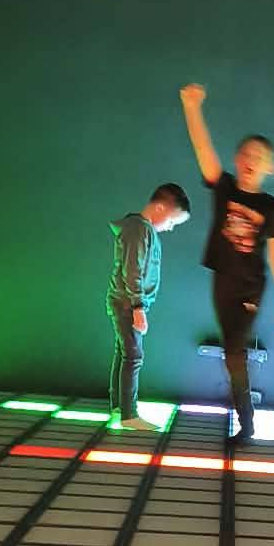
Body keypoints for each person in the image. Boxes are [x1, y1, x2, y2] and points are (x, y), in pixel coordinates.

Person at [179, 85, 274, 445]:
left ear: (269, 167)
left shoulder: (271, 207)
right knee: (232, 353)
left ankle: (247, 424)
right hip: (222, 281)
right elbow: (203, 150)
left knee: (234, 350)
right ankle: (246, 420)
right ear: (236, 159)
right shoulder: (225, 188)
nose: (250, 159)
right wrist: (192, 107)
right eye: (245, 153)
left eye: (258, 156)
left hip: (249, 287)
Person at [106, 184, 192, 432]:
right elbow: (132, 269)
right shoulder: (139, 229)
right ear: (161, 207)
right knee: (133, 356)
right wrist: (138, 307)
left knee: (124, 353)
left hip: (125, 302)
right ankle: (129, 415)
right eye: (172, 221)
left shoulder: (139, 229)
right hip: (126, 304)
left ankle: (119, 407)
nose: (171, 227)